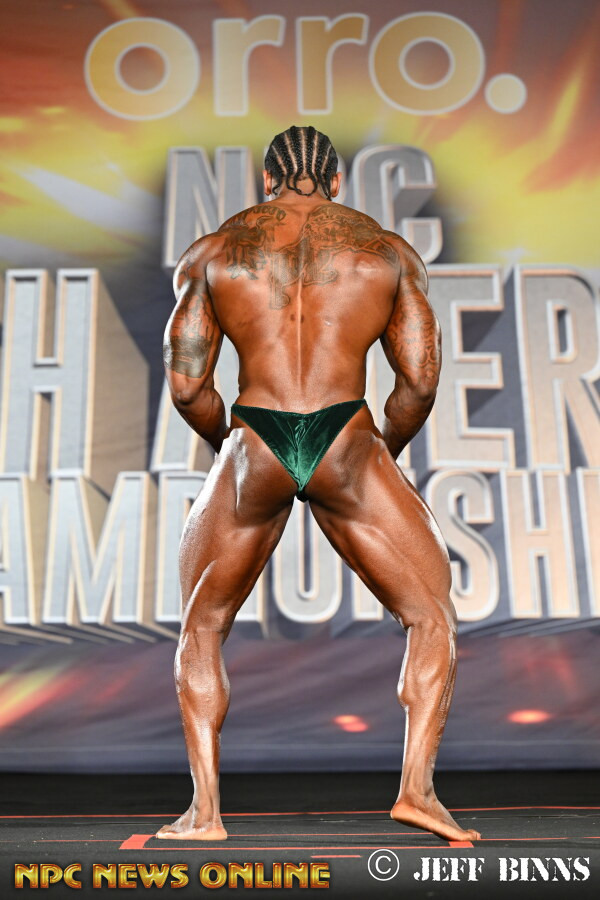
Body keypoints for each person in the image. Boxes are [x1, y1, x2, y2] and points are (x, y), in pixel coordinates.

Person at [158, 125, 480, 843]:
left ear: (265, 181)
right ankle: (418, 792)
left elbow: (187, 386)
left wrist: (235, 450)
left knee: (202, 626)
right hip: (345, 434)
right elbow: (419, 382)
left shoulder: (214, 253)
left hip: (256, 433)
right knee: (431, 616)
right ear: (336, 182)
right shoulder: (385, 252)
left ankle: (204, 814)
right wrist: (375, 455)